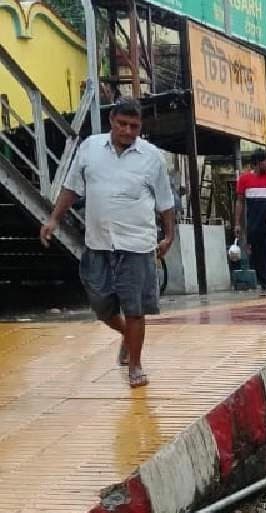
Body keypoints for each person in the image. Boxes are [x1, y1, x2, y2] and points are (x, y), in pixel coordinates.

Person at [40, 98, 174, 389]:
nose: (127, 131)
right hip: (98, 243)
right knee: (101, 305)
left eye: (134, 126)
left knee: (135, 307)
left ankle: (135, 365)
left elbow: (165, 201)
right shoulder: (90, 147)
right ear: (111, 120)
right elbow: (72, 187)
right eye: (122, 124)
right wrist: (53, 220)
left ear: (140, 127)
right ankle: (127, 335)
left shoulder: (151, 157)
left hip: (137, 244)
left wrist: (168, 235)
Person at [235, 149, 266, 297]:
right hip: (254, 225)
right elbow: (239, 202)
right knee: (258, 256)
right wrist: (237, 223)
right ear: (257, 163)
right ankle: (264, 284)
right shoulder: (244, 180)